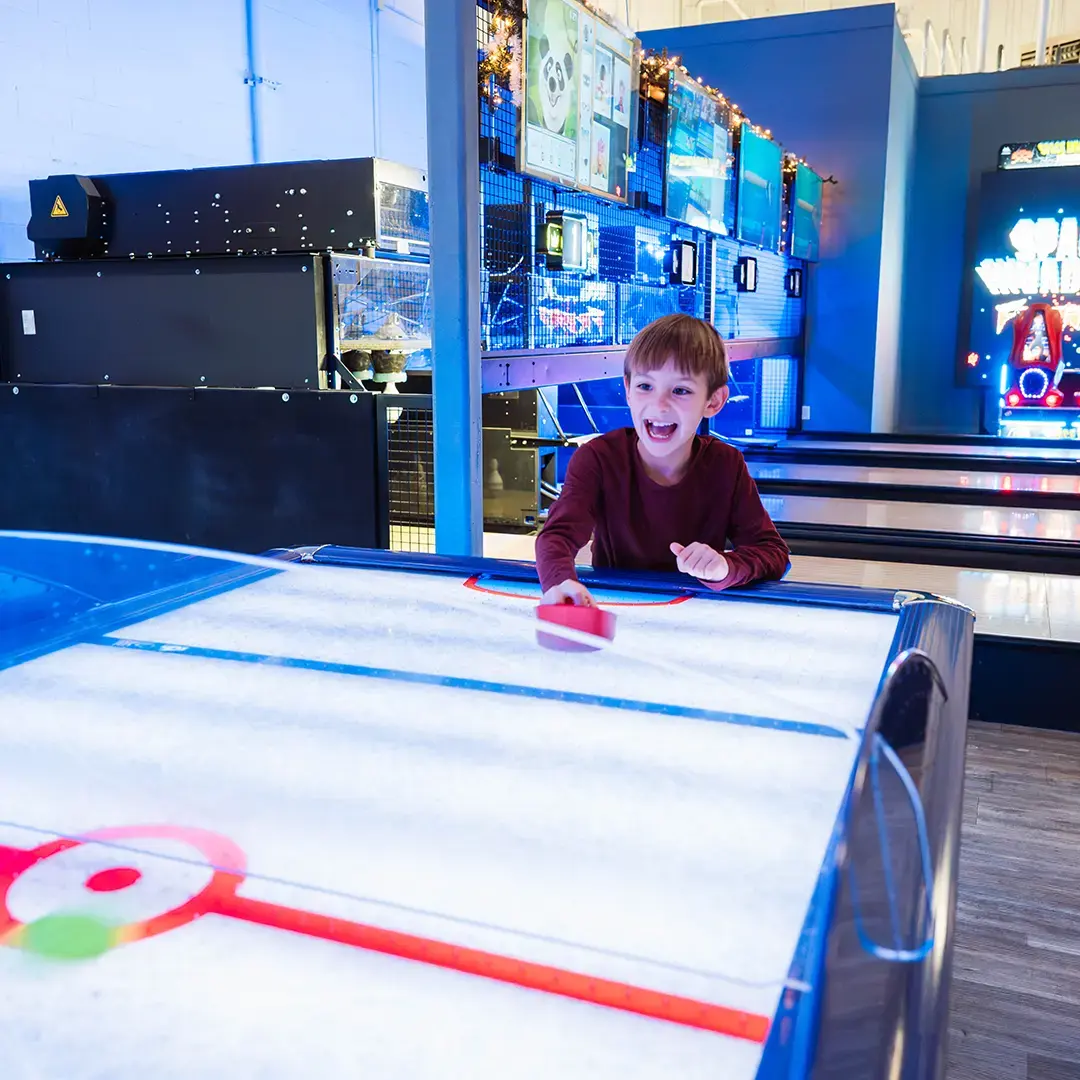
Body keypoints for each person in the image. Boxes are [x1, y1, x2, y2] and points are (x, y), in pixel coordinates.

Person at [536, 313, 790, 606]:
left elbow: (773, 552)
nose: (659, 404)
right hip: (619, 606)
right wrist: (559, 581)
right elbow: (556, 536)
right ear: (628, 389)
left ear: (713, 401)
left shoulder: (726, 464)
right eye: (646, 386)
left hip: (697, 612)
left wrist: (725, 567)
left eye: (680, 390)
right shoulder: (598, 458)